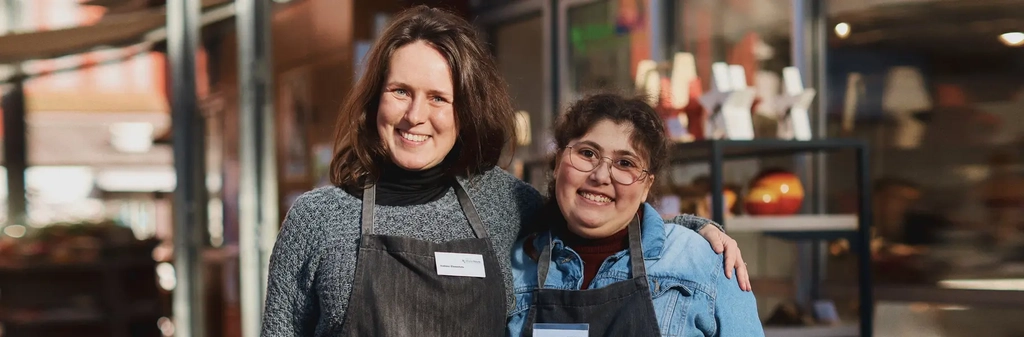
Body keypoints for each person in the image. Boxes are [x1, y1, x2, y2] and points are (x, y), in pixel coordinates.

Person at [260, 5, 750, 337]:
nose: (415, 116)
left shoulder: (505, 203)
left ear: (466, 111)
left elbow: (596, 217)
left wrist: (697, 229)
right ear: (374, 100)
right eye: (400, 91)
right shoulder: (317, 220)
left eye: (439, 98)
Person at [507, 93, 764, 337]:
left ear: (646, 187)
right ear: (558, 162)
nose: (600, 175)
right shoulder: (514, 268)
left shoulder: (702, 263)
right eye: (587, 153)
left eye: (625, 163)